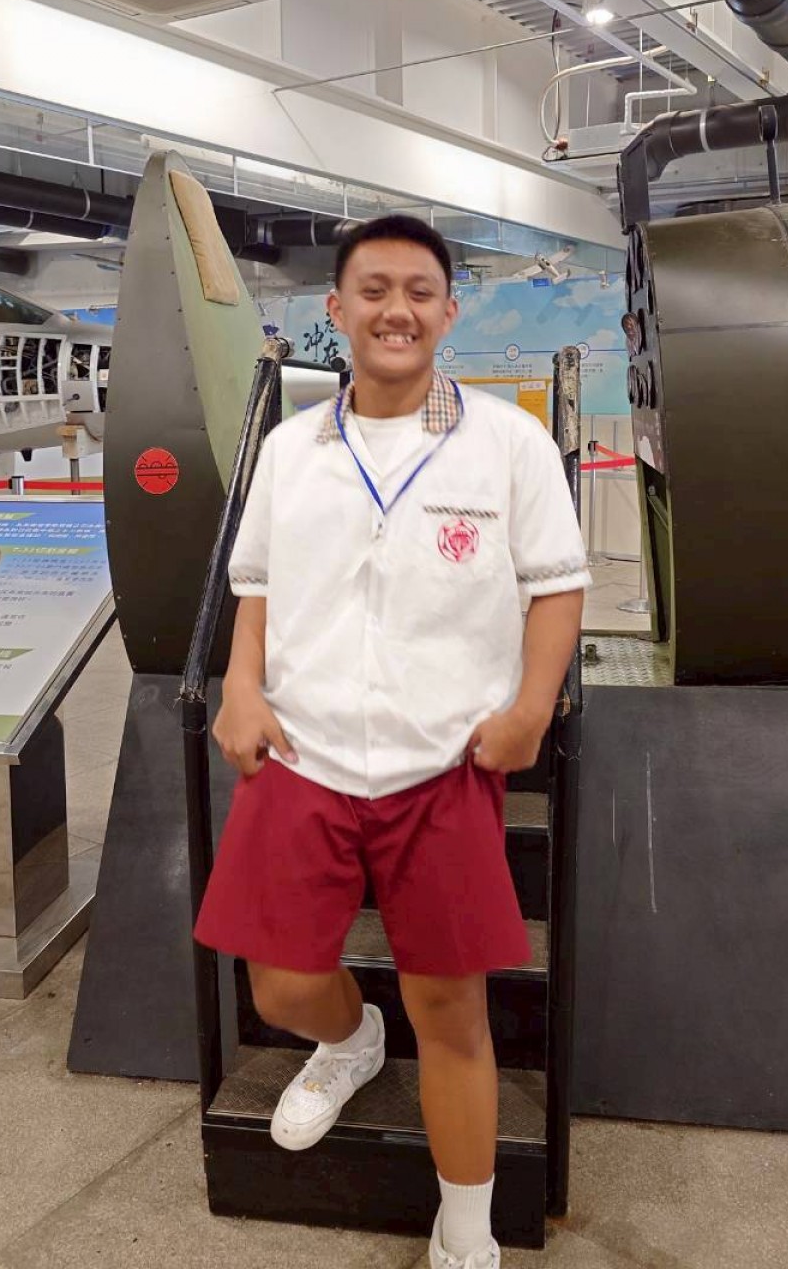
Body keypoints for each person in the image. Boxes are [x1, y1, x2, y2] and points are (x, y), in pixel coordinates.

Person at [194, 214, 590, 1269]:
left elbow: (557, 586)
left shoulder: (508, 444)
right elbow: (256, 587)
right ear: (337, 310)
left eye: (419, 292)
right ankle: (350, 1039)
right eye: (373, 291)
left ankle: (465, 1231)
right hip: (305, 753)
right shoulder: (291, 449)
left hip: (444, 763)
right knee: (280, 983)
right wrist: (239, 686)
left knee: (451, 1005)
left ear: (449, 312)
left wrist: (530, 710)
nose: (396, 310)